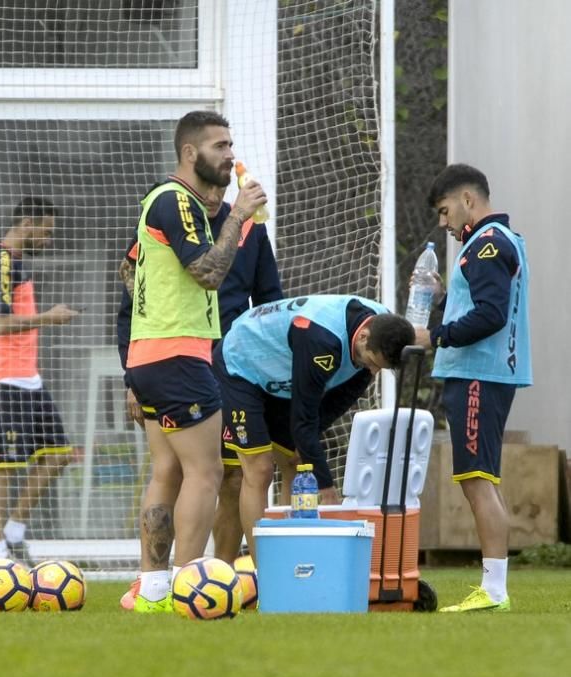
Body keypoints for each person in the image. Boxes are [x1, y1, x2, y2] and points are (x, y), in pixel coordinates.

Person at [123, 110, 267, 613]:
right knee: (205, 473)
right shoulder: (175, 199)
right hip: (179, 355)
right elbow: (208, 272)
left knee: (166, 470)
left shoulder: (168, 204)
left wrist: (131, 363)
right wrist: (237, 216)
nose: (230, 155)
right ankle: (188, 584)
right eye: (220, 146)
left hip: (150, 356)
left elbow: (129, 271)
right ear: (191, 153)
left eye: (231, 145)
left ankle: (153, 589)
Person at [212, 294, 416, 560]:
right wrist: (326, 487)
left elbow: (340, 399)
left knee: (298, 463)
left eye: (381, 368)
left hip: (280, 374)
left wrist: (311, 453)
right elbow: (303, 419)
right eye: (372, 362)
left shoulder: (385, 326)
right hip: (241, 366)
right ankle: (264, 572)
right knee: (259, 470)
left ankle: (287, 562)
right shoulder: (321, 340)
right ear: (363, 336)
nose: (373, 372)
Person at [414, 163, 532, 613]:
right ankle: (494, 587)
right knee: (482, 479)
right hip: (489, 374)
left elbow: (490, 314)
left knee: (477, 481)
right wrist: (445, 294)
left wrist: (435, 336)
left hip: (479, 374)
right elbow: (480, 302)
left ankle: (494, 590)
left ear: (468, 200)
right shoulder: (499, 242)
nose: (443, 223)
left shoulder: (484, 245)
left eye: (445, 212)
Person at [0, 196, 80, 561]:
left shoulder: (17, 262)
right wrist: (49, 317)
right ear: (28, 224)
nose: (48, 240)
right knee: (3, 465)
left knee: (60, 454)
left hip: (27, 377)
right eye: (46, 232)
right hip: (3, 377)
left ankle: (14, 531)